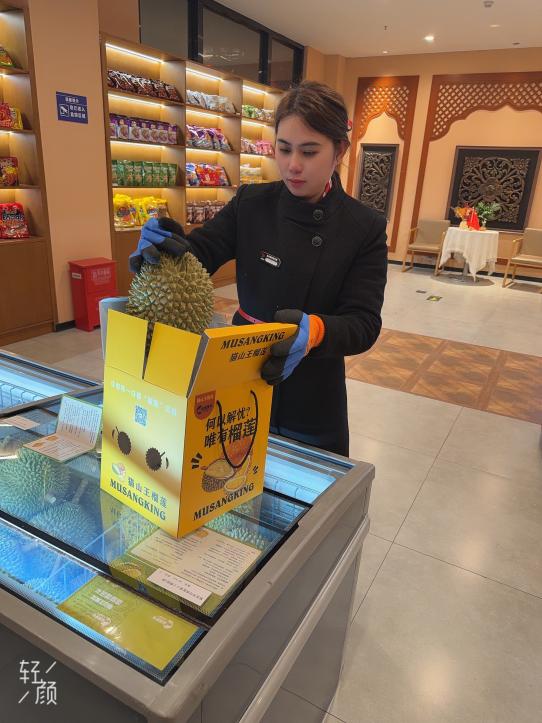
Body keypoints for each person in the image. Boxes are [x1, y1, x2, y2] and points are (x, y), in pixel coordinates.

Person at [130, 81, 388, 457]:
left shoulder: (363, 226)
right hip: (239, 374)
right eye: (283, 149)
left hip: (313, 391)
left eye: (309, 151)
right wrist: (165, 244)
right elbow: (199, 253)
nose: (293, 165)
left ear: (340, 151)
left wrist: (316, 331)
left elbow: (364, 323)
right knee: (227, 471)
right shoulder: (252, 204)